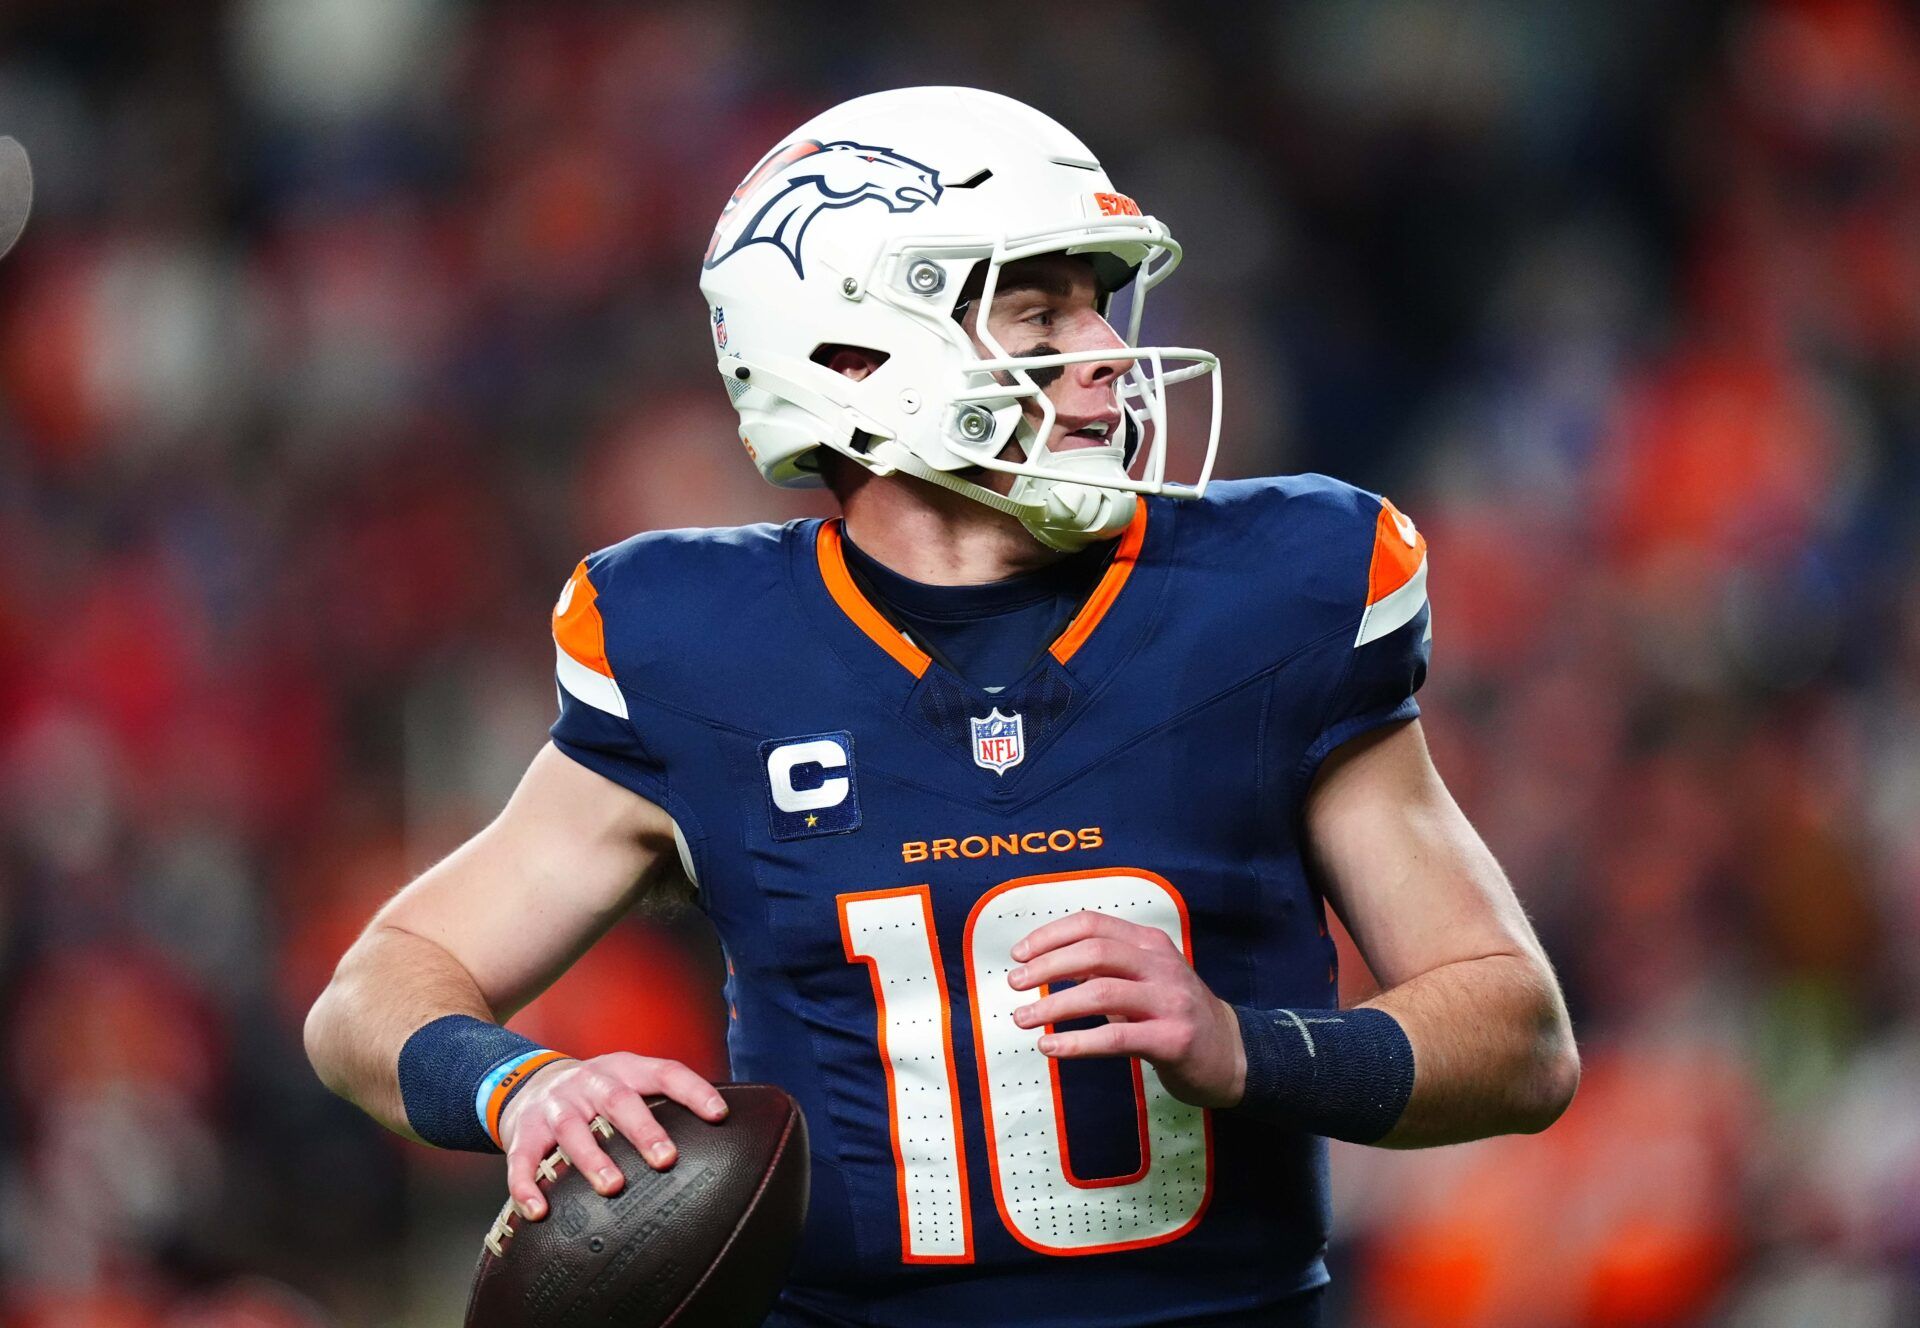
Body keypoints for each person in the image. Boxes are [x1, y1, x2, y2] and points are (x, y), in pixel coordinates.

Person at [305, 86, 1579, 1327]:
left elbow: (1521, 1039)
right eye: (1036, 312)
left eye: (1094, 305)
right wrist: (519, 1084)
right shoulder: (700, 649)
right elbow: (371, 997)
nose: (1102, 354)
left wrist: (1250, 1046)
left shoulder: (1269, 595)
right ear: (854, 357)